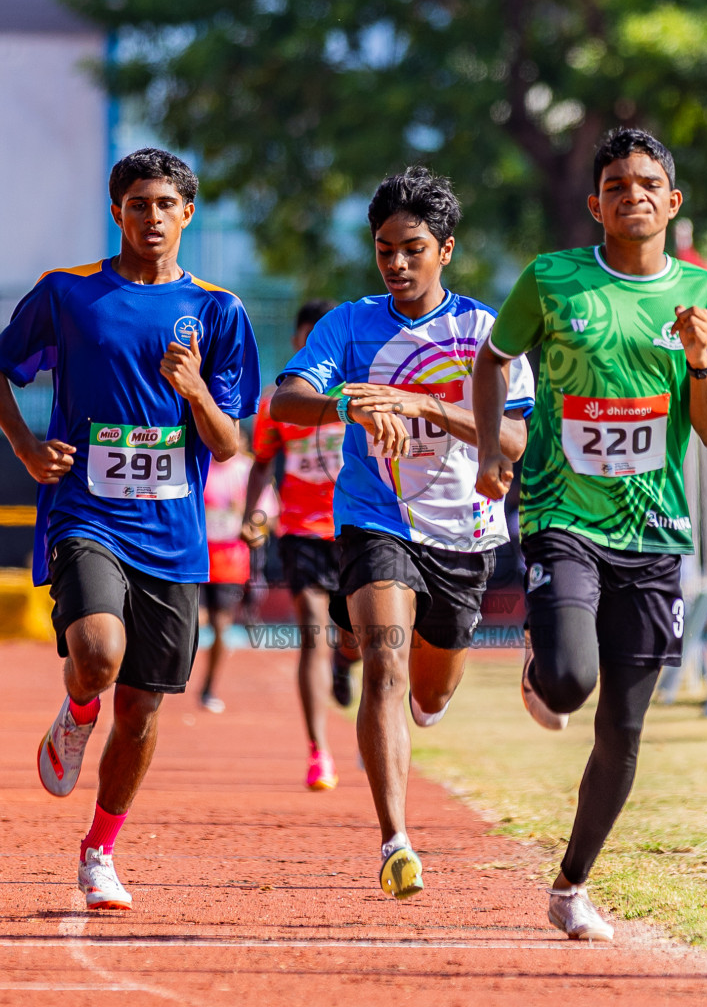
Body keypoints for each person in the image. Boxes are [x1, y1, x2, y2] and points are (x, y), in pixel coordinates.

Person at [473, 127, 707, 941]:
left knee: (623, 728)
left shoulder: (704, 297)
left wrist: (698, 360)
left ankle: (570, 885)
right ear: (596, 203)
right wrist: (491, 450)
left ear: (673, 200)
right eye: (617, 186)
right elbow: (491, 359)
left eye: (648, 184)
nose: (633, 196)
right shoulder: (552, 282)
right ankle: (541, 656)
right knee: (567, 684)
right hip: (563, 516)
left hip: (655, 531)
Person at [0, 147, 260, 911]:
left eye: (167, 204)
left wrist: (196, 388)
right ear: (117, 212)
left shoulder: (219, 312)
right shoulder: (69, 294)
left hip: (172, 530)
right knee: (98, 655)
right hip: (86, 509)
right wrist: (27, 446)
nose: (153, 217)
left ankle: (100, 851)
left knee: (142, 709)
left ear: (187, 213)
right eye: (138, 203)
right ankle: (75, 710)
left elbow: (230, 443)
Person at [270, 168, 534, 899]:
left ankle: (430, 698)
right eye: (384, 248)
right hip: (374, 519)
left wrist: (423, 404)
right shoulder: (349, 324)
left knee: (429, 686)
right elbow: (287, 399)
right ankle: (395, 840)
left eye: (413, 248)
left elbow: (512, 441)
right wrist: (348, 407)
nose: (396, 263)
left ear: (445, 249)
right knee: (382, 664)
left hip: (465, 535)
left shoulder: (484, 331)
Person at [243, 299, 360, 791]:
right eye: (307, 341)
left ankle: (345, 660)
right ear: (296, 344)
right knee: (313, 630)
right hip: (300, 530)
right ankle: (320, 752)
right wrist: (253, 511)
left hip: (356, 528)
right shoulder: (280, 403)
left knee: (356, 637)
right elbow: (260, 463)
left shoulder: (358, 394)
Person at [196, 429, 277, 713]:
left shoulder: (245, 470)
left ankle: (208, 687)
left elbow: (269, 512)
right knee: (194, 619)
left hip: (230, 558)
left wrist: (250, 519)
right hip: (194, 554)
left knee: (220, 625)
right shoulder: (196, 461)